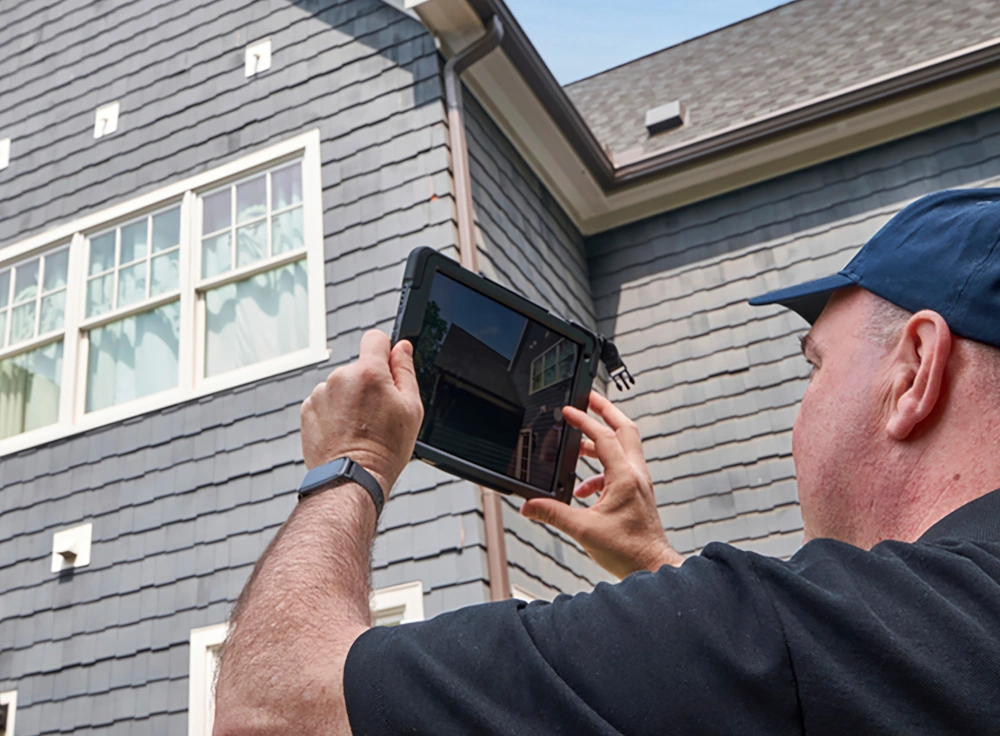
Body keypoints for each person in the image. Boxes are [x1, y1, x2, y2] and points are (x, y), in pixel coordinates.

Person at [212, 189, 1000, 735]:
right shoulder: (892, 640)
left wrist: (350, 461)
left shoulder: (774, 634)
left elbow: (272, 711)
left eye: (814, 366)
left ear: (914, 370)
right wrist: (657, 566)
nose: (801, 410)